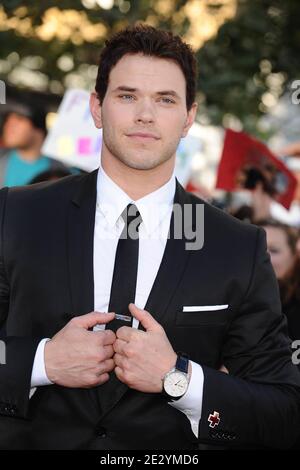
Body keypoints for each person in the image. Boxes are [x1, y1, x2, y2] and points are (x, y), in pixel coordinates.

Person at [0, 25, 299, 451]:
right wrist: (40, 363)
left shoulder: (237, 246)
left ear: (189, 117)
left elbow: (283, 409)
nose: (145, 114)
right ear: (97, 108)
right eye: (127, 96)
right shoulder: (15, 213)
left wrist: (178, 378)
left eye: (165, 99)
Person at [0, 102, 67, 188]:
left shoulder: (63, 174)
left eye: (19, 119)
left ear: (38, 128)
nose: (9, 125)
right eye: (7, 120)